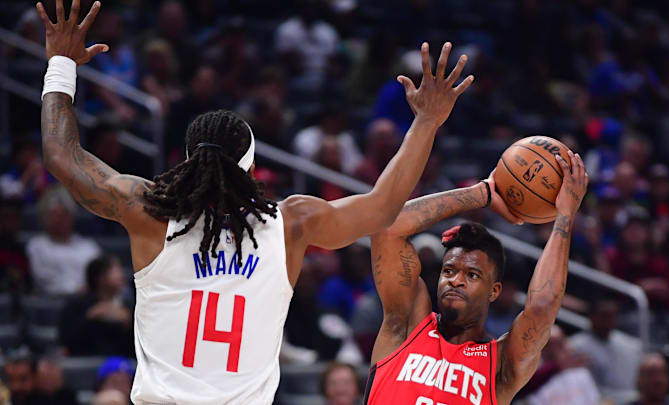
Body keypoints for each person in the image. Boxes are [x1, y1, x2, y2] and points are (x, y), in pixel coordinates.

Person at [35, 1, 475, 402]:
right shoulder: (290, 225)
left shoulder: (148, 212)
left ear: (186, 163)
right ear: (250, 171)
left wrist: (60, 64)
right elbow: (382, 206)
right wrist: (427, 122)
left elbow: (62, 155)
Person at [364, 150, 589, 404]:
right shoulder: (406, 327)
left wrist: (565, 215)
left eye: (472, 274)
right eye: (449, 271)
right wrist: (482, 194)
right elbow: (387, 228)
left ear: (495, 291)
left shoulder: (500, 365)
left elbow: (543, 307)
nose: (455, 280)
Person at [26, 185, 100, 296]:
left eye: (64, 214)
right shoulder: (36, 246)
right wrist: (76, 289)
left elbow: (97, 276)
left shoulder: (89, 247)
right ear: (44, 217)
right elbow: (43, 279)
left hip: (86, 302)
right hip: (50, 304)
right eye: (54, 214)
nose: (59, 219)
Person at [568, 297, 642, 404]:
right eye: (604, 316)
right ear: (592, 317)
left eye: (612, 316)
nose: (609, 320)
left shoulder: (631, 345)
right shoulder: (575, 346)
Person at [59, 254, 134, 357]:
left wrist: (129, 323)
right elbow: (67, 340)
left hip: (120, 363)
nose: (121, 275)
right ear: (99, 277)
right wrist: (90, 316)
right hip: (86, 359)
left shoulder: (129, 305)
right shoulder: (77, 304)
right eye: (114, 271)